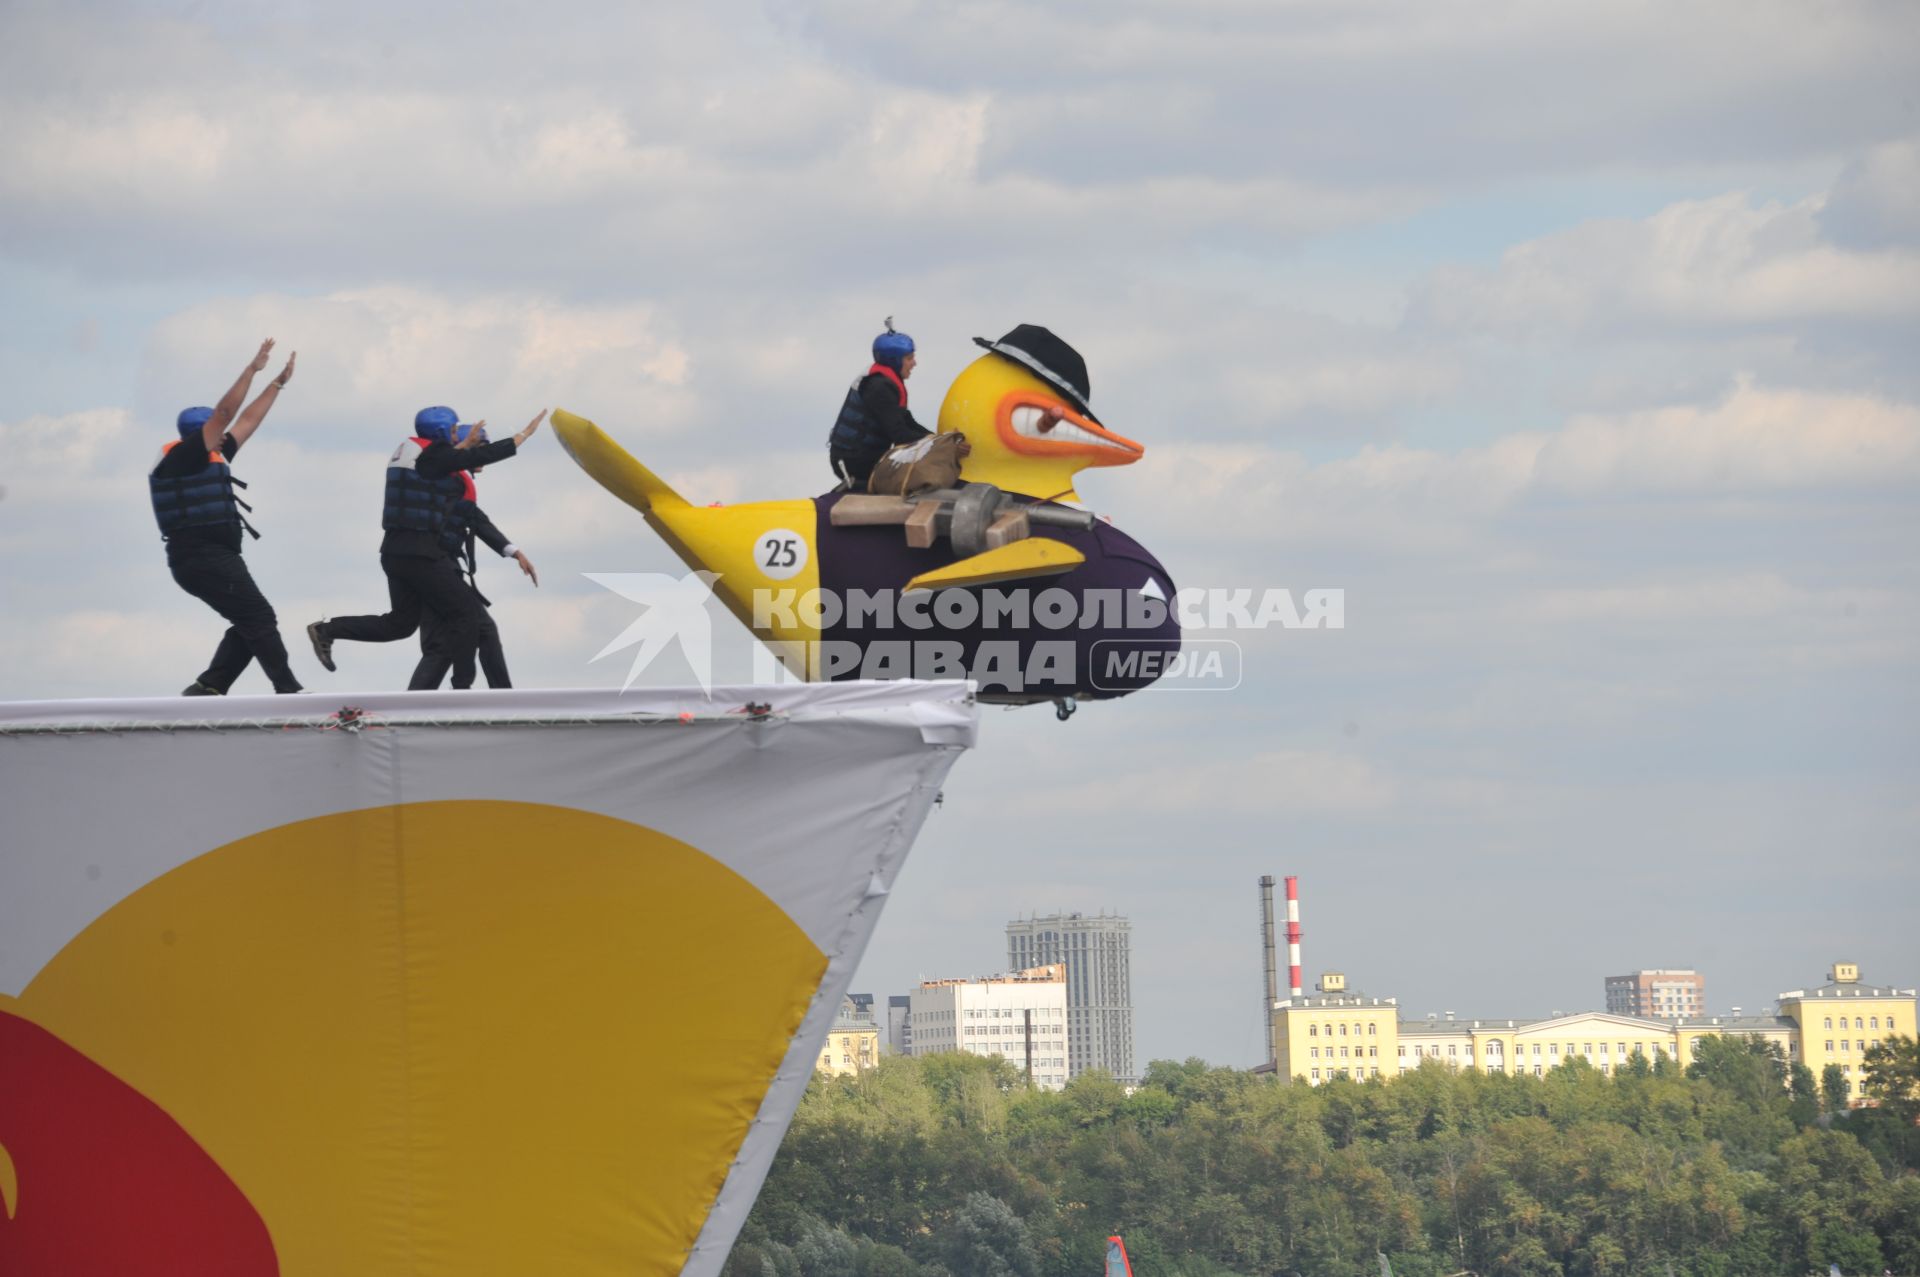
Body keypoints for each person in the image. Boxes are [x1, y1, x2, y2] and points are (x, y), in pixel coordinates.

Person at [307, 407, 543, 690]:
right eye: (455, 431)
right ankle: (463, 689)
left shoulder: (414, 456)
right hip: (424, 557)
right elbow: (470, 485)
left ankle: (328, 630)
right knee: (467, 617)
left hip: (394, 554)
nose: (459, 436)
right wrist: (522, 436)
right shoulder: (439, 465)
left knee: (401, 625)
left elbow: (454, 467)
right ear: (442, 433)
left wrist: (513, 551)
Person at [150, 339, 302, 695]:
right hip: (201, 557)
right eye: (217, 434)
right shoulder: (183, 459)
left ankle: (209, 686)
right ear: (200, 435)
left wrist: (278, 383)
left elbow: (247, 420)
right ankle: (288, 690)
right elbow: (226, 413)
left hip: (212, 558)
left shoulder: (212, 455)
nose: (225, 439)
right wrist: (251, 370)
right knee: (260, 619)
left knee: (250, 622)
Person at [416, 421, 538, 689]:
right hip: (439, 570)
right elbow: (474, 519)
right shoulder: (451, 482)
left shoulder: (455, 480)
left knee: (444, 645)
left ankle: (414, 703)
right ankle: (502, 698)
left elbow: (475, 519)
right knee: (481, 631)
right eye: (480, 446)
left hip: (435, 570)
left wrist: (513, 550)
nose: (483, 452)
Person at [827, 317, 931, 489]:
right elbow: (900, 435)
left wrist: (940, 439)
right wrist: (934, 445)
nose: (914, 363)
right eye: (909, 358)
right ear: (894, 360)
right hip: (853, 461)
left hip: (870, 457)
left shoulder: (888, 383)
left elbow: (907, 423)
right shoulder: (878, 387)